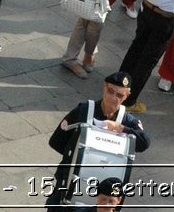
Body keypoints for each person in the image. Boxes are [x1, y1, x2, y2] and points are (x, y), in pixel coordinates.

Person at [46, 71, 150, 209]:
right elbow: (57, 141)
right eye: (110, 91)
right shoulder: (83, 110)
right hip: (71, 183)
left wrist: (121, 128)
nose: (113, 97)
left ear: (127, 96)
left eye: (119, 95)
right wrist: (77, 158)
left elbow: (144, 142)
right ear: (104, 87)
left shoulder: (127, 121)